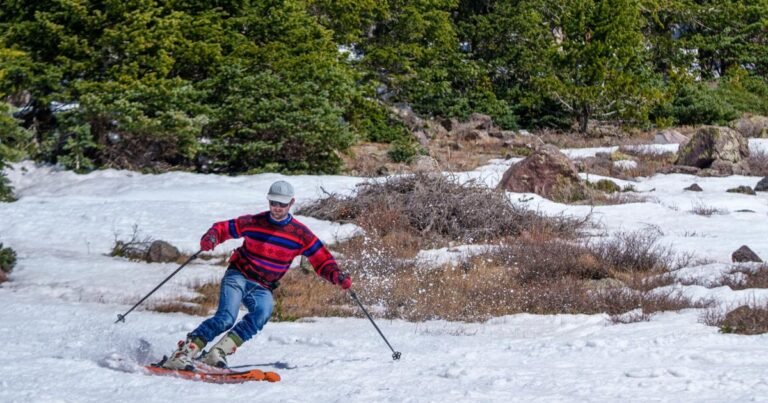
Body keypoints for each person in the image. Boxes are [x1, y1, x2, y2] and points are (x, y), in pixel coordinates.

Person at [162, 180, 352, 370]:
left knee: (262, 312)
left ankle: (217, 353)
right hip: (238, 275)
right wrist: (211, 238)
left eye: (282, 204)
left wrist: (337, 276)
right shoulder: (254, 222)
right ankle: (183, 353)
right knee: (226, 317)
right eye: (273, 203)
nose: (277, 208)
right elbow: (223, 228)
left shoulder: (300, 234)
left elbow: (321, 259)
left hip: (263, 286)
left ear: (291, 203)